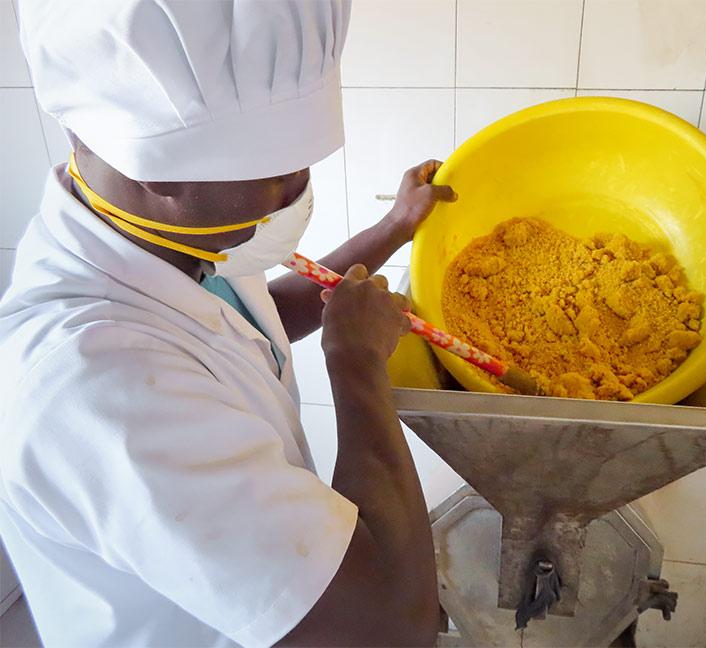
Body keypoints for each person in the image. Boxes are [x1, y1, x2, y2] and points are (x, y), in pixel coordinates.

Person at [0, 1, 457, 646]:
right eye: (278, 174)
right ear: (157, 171)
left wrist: (392, 229)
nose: (299, 190)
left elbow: (251, 319)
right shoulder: (93, 390)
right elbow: (388, 629)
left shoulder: (173, 235)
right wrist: (355, 364)